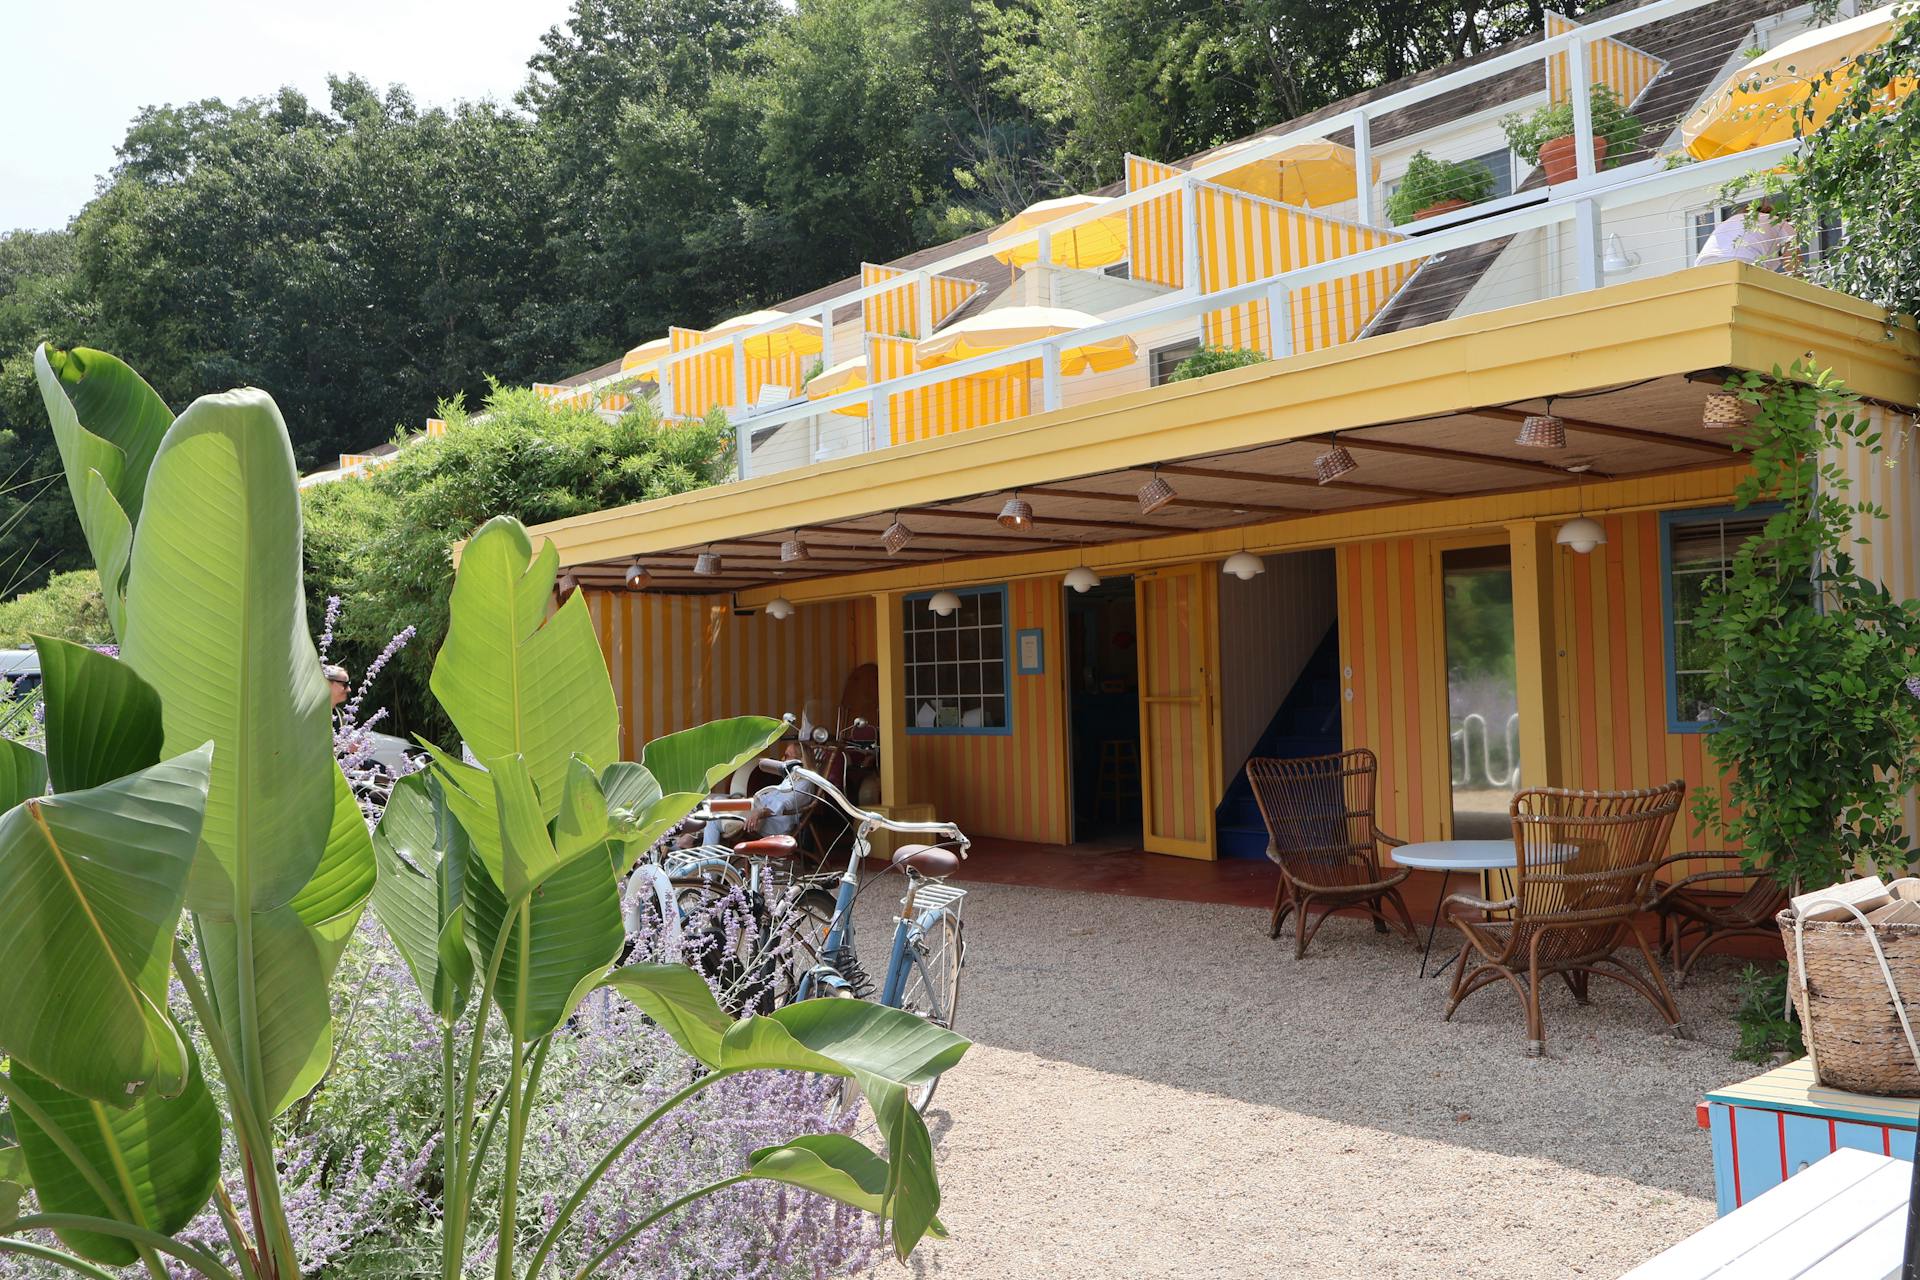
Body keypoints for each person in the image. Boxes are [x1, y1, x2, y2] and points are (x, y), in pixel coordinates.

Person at [1694, 200, 1792, 270]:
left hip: (1703, 264)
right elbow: (1793, 266)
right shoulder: (1782, 223)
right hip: (1744, 262)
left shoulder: (1733, 219)